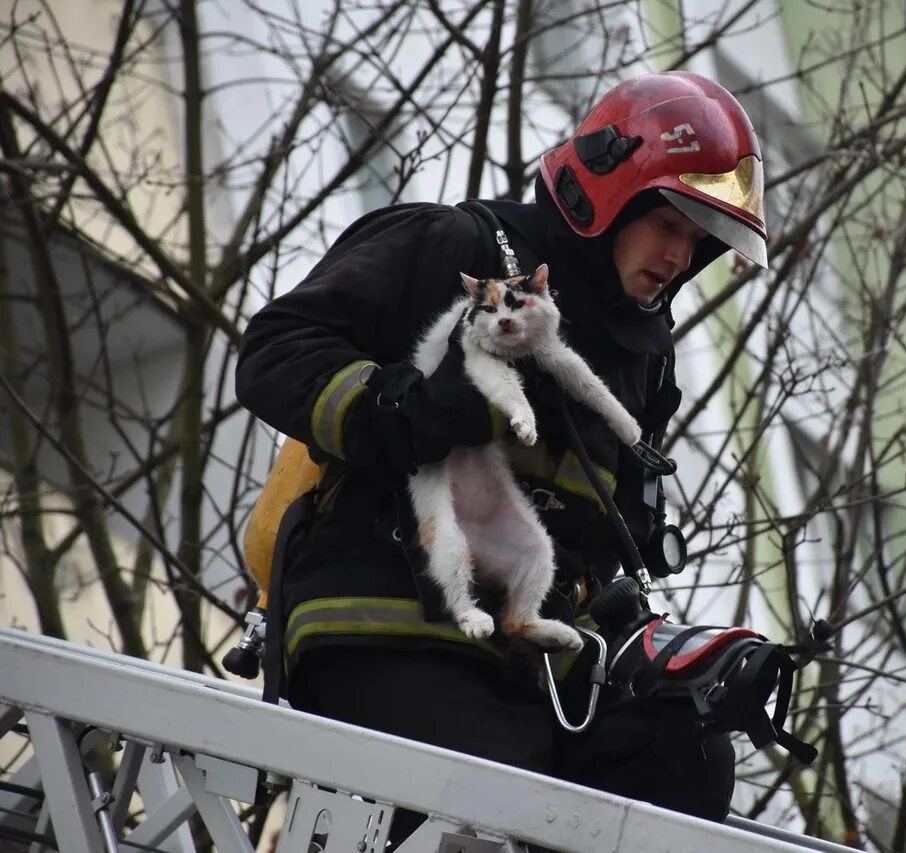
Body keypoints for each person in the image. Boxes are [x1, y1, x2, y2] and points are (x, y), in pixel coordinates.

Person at [234, 71, 768, 839]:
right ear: (608, 193)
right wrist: (403, 407)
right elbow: (275, 350)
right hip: (386, 621)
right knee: (498, 785)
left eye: (699, 241)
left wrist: (644, 648)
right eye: (668, 223)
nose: (679, 257)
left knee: (687, 753)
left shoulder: (639, 364)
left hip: (518, 661)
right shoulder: (458, 246)